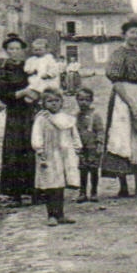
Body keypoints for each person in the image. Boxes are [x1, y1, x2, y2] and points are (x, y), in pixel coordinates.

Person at [103, 18, 137, 197]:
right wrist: (130, 103)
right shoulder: (118, 53)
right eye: (131, 32)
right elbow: (116, 81)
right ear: (124, 34)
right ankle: (123, 186)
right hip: (123, 97)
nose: (135, 36)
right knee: (122, 137)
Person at [0, 34, 39, 205]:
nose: (14, 52)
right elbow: (3, 95)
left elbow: (42, 82)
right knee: (13, 150)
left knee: (31, 147)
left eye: (17, 49)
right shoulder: (4, 70)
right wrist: (22, 93)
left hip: (30, 111)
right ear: (6, 51)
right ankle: (11, 192)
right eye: (10, 49)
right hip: (15, 112)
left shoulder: (29, 67)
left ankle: (31, 190)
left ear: (23, 50)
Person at [31, 90, 81, 226]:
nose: (54, 104)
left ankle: (60, 214)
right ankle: (51, 215)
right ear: (44, 103)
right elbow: (37, 135)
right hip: (49, 155)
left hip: (64, 154)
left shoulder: (66, 118)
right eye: (50, 101)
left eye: (56, 101)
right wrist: (39, 149)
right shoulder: (42, 119)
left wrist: (77, 146)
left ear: (61, 102)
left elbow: (73, 133)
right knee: (50, 185)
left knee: (60, 185)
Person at [74, 87, 103, 202]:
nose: (83, 102)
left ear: (91, 100)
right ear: (77, 100)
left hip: (93, 147)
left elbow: (100, 130)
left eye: (86, 100)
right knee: (83, 170)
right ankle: (82, 192)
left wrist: (100, 144)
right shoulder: (76, 116)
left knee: (94, 170)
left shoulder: (95, 115)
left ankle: (94, 192)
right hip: (81, 148)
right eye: (81, 100)